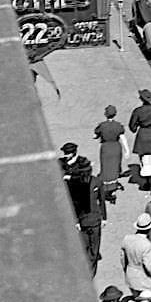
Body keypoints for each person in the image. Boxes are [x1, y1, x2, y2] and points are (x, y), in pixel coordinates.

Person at [60, 142, 107, 276]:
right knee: (86, 246)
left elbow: (101, 200)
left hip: (93, 219)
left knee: (94, 248)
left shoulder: (95, 181)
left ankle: (90, 272)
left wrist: (104, 217)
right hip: (84, 219)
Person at [121, 213, 151, 300]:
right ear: (149, 229)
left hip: (131, 277)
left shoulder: (127, 239)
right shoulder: (146, 245)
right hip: (144, 280)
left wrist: (126, 270)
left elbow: (122, 258)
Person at [129, 89, 151, 191]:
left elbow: (132, 126)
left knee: (144, 158)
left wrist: (136, 127)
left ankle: (148, 180)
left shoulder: (137, 111)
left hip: (143, 135)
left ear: (141, 99)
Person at [95, 104, 130, 203]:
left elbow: (95, 135)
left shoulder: (102, 125)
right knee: (114, 168)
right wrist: (127, 150)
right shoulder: (118, 125)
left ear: (105, 114)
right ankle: (113, 190)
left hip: (105, 148)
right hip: (116, 147)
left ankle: (105, 188)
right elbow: (123, 138)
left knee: (105, 168)